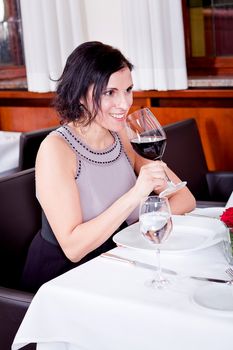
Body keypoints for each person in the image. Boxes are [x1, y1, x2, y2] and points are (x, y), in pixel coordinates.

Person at [21, 41, 196, 292]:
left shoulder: (122, 134)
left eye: (128, 90)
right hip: (63, 278)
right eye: (109, 93)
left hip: (117, 258)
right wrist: (137, 195)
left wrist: (138, 228)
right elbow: (73, 248)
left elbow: (184, 199)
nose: (124, 104)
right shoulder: (56, 150)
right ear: (80, 94)